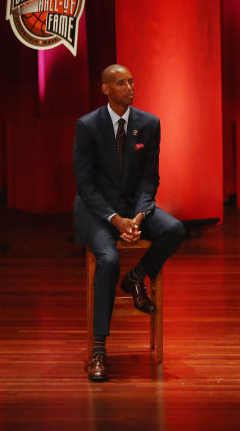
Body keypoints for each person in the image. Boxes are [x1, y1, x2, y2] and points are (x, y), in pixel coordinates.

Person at [73, 64, 185, 382]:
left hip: (132, 209)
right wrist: (115, 219)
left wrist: (138, 215)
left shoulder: (149, 124)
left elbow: (150, 178)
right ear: (105, 89)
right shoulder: (88, 125)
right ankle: (98, 350)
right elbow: (85, 184)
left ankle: (136, 277)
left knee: (174, 229)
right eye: (121, 83)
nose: (129, 87)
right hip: (97, 210)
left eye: (131, 82)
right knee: (107, 259)